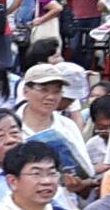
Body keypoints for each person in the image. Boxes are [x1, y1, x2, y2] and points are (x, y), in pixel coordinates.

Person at [14, 62, 99, 202]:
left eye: (56, 91)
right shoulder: (11, 126)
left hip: (63, 202)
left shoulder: (68, 127)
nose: (51, 97)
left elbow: (87, 173)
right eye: (43, 90)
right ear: (25, 91)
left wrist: (78, 183)